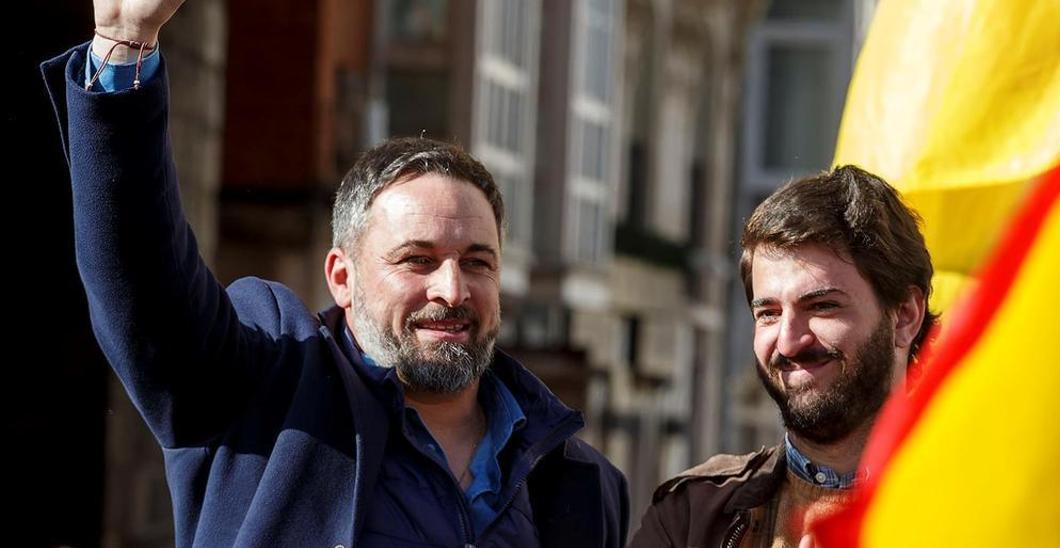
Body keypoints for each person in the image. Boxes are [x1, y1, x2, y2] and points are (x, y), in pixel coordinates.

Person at [43, 1, 628, 546]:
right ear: (341, 277)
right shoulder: (264, 388)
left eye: (477, 262)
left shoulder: (580, 483)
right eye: (416, 260)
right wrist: (125, 43)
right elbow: (148, 290)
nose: (452, 290)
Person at [630, 166, 937, 547]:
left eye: (822, 306)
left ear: (905, 315)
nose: (789, 342)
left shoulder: (989, 506)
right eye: (769, 314)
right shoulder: (692, 516)